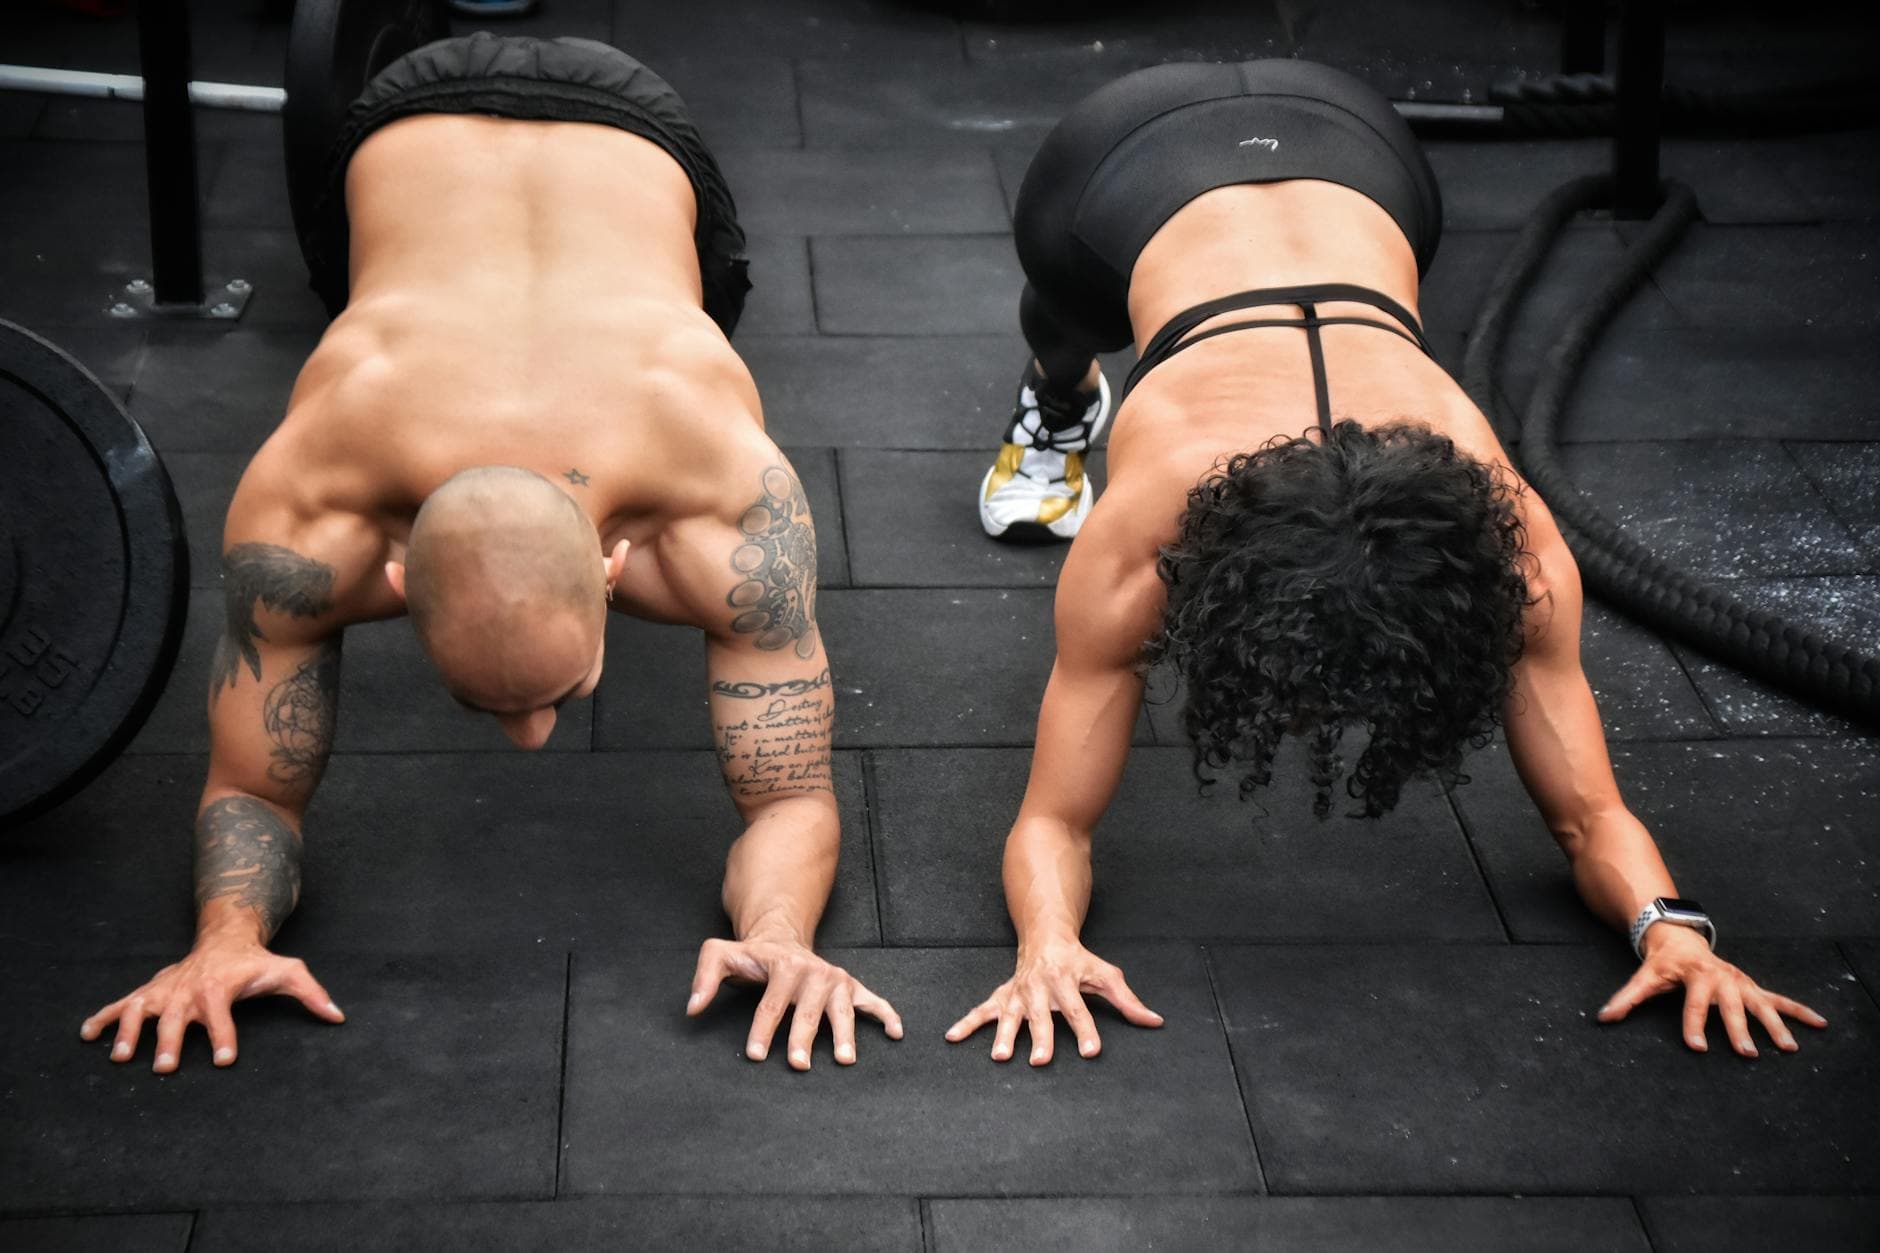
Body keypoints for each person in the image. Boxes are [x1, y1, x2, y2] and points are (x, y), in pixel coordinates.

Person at [953, 60, 1827, 1064]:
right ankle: (1053, 408)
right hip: (1120, 160)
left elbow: (1593, 815)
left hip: (1360, 149)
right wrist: (1045, 942)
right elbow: (1051, 820)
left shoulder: (1512, 545)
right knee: (1071, 318)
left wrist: (1669, 927)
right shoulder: (1154, 513)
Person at [80, 33, 900, 1074]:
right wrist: (222, 938)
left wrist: (779, 932)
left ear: (616, 567)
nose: (529, 737)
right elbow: (253, 784)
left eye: (549, 692)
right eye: (488, 704)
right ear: (387, 578)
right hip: (397, 127)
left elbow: (792, 792)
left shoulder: (728, 500)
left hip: (635, 130)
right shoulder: (304, 510)